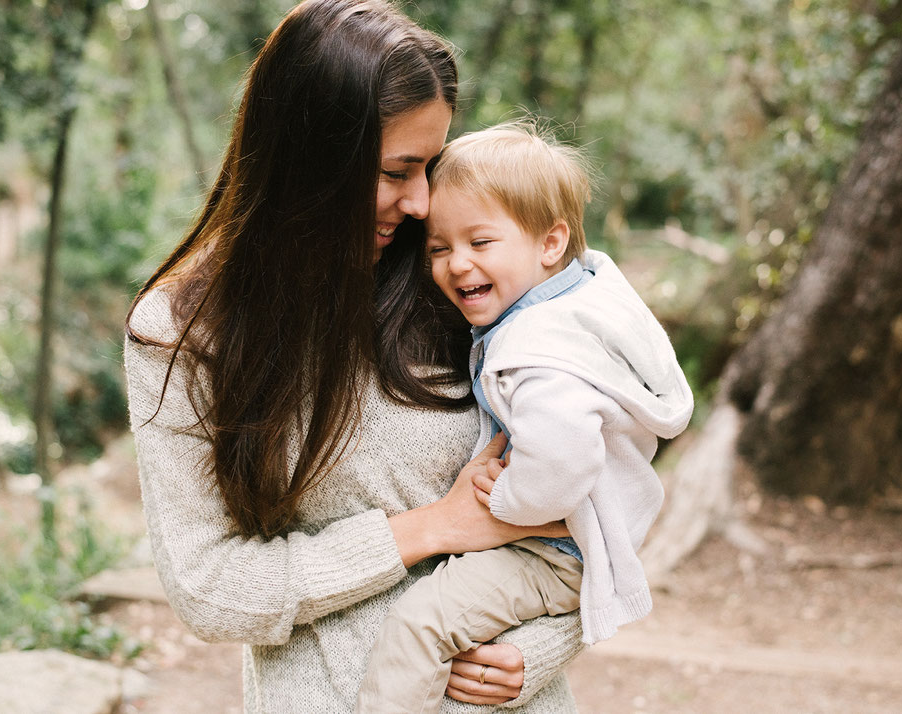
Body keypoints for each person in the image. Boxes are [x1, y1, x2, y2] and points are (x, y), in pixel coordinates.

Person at [122, 2, 586, 712]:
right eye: (398, 170)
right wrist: (426, 529)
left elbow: (590, 507)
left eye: (430, 166)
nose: (425, 201)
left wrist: (541, 652)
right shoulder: (182, 330)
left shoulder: (457, 282)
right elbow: (208, 587)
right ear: (311, 160)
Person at [355, 123, 694, 713]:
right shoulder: (583, 302)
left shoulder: (540, 352)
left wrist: (506, 504)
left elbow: (563, 460)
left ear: (549, 244)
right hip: (565, 546)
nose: (457, 265)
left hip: (547, 552)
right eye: (439, 248)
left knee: (417, 626)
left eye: (480, 243)